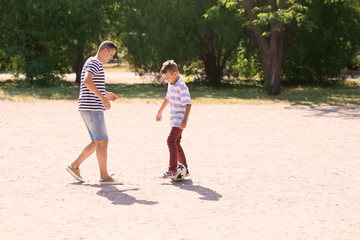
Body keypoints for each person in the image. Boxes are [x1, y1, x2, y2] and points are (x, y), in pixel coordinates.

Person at [66, 40, 122, 185]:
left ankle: (75, 166)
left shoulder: (91, 61)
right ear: (104, 50)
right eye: (111, 55)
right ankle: (104, 176)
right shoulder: (95, 63)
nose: (111, 58)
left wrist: (106, 93)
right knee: (102, 142)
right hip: (92, 108)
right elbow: (87, 82)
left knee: (98, 142)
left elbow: (92, 83)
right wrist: (103, 98)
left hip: (88, 107)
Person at [156, 60, 192, 178]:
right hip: (173, 118)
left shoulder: (181, 86)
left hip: (180, 119)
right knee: (176, 143)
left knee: (170, 141)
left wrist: (185, 120)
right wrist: (160, 111)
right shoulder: (171, 84)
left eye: (167, 77)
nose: (166, 79)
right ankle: (185, 169)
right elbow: (168, 98)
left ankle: (172, 170)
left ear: (175, 73)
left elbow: (188, 104)